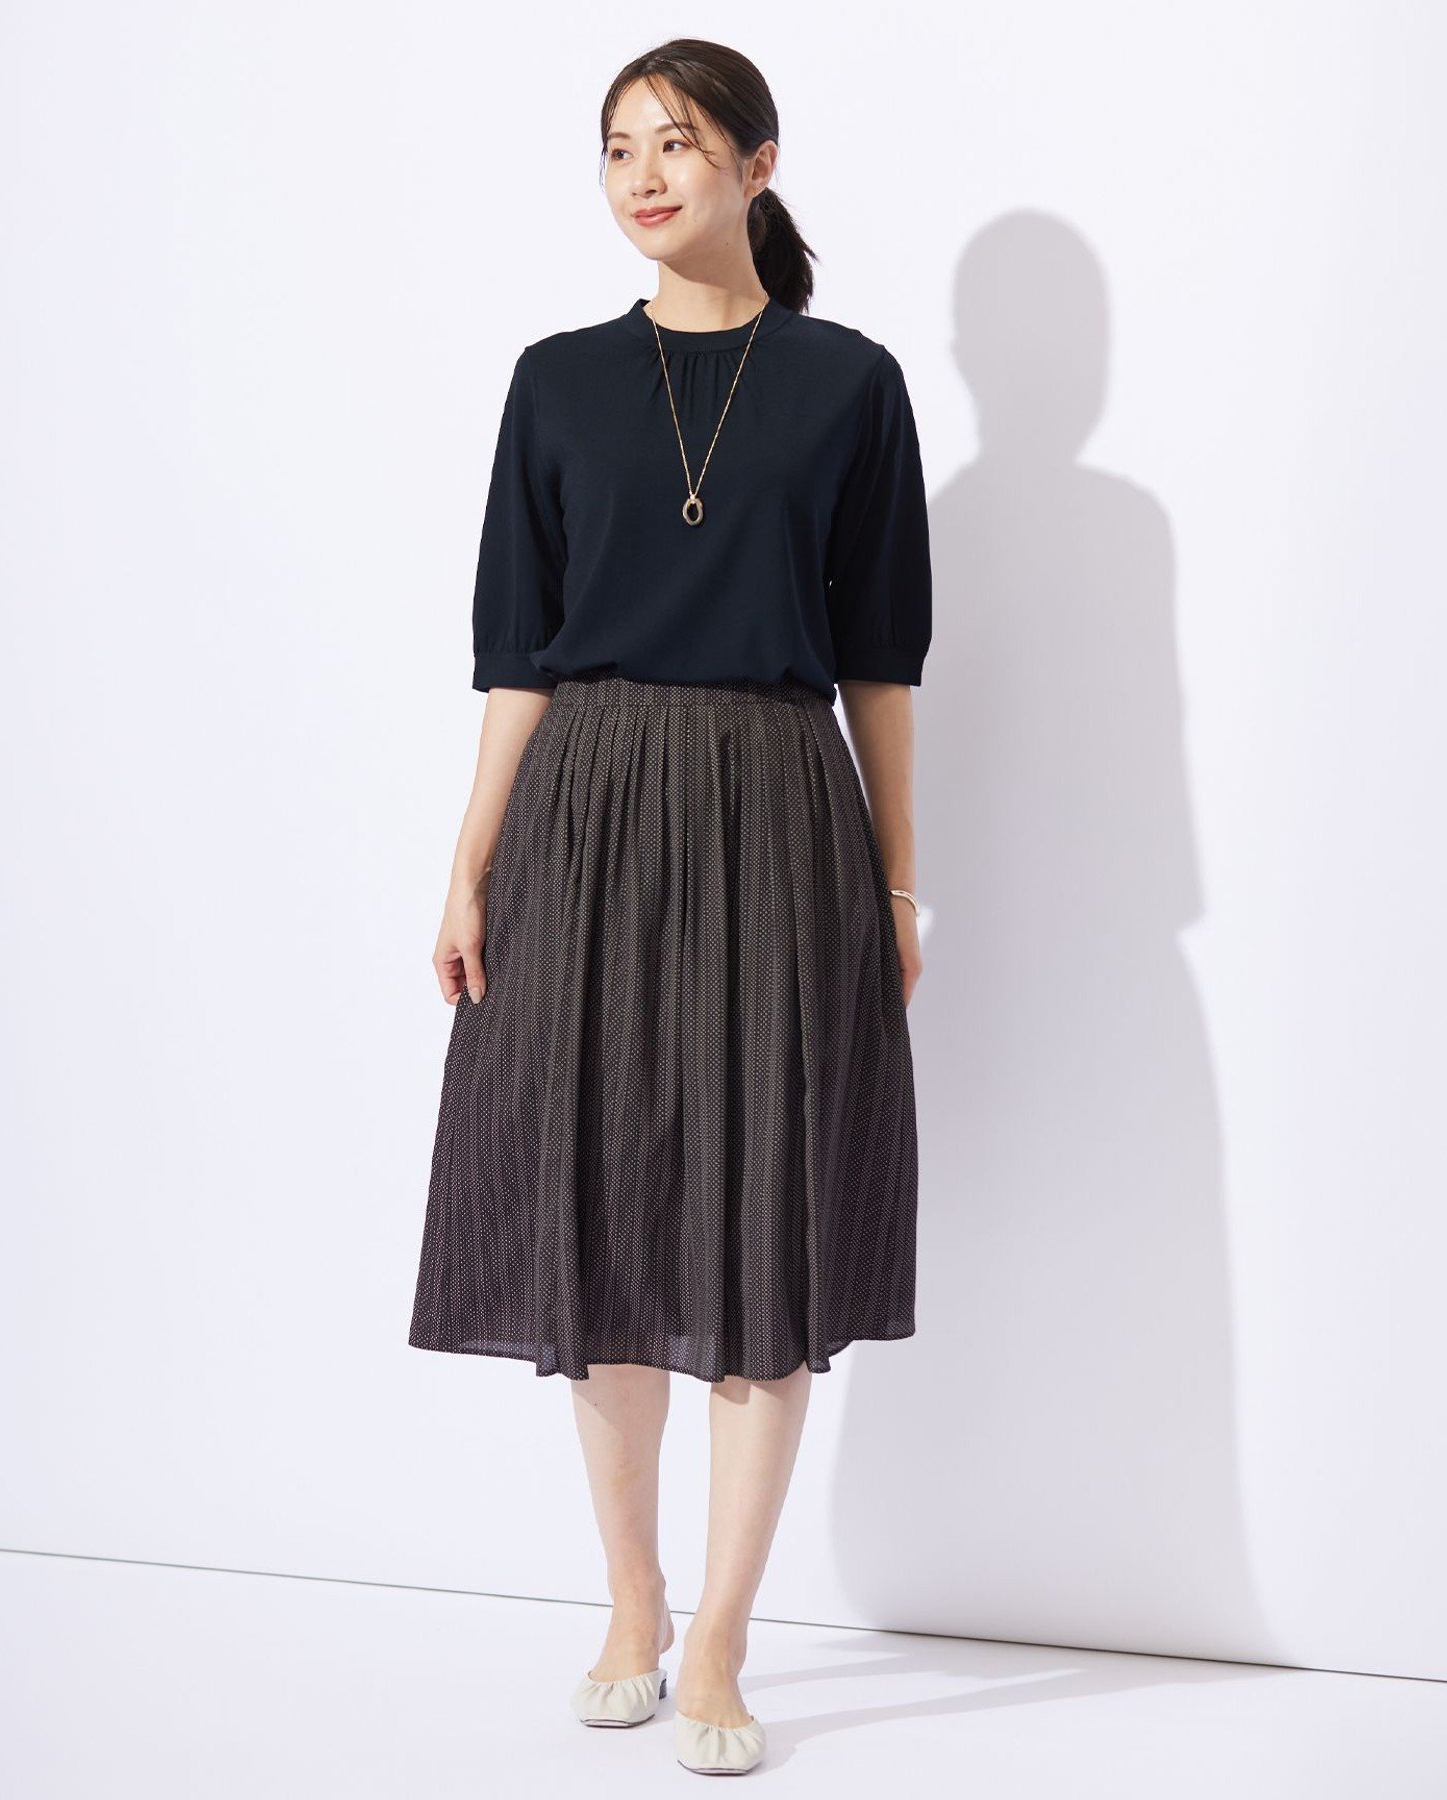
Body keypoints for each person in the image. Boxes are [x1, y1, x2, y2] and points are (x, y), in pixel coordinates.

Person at [407, 38, 931, 1777]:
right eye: (620, 146)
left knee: (763, 1217)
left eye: (680, 143)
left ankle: (722, 1635)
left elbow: (881, 663)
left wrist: (900, 880)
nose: (645, 174)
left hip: (778, 808)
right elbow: (516, 657)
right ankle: (631, 1599)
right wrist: (471, 861)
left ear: (758, 165)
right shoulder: (555, 381)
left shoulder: (849, 385)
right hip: (588, 808)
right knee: (601, 1207)